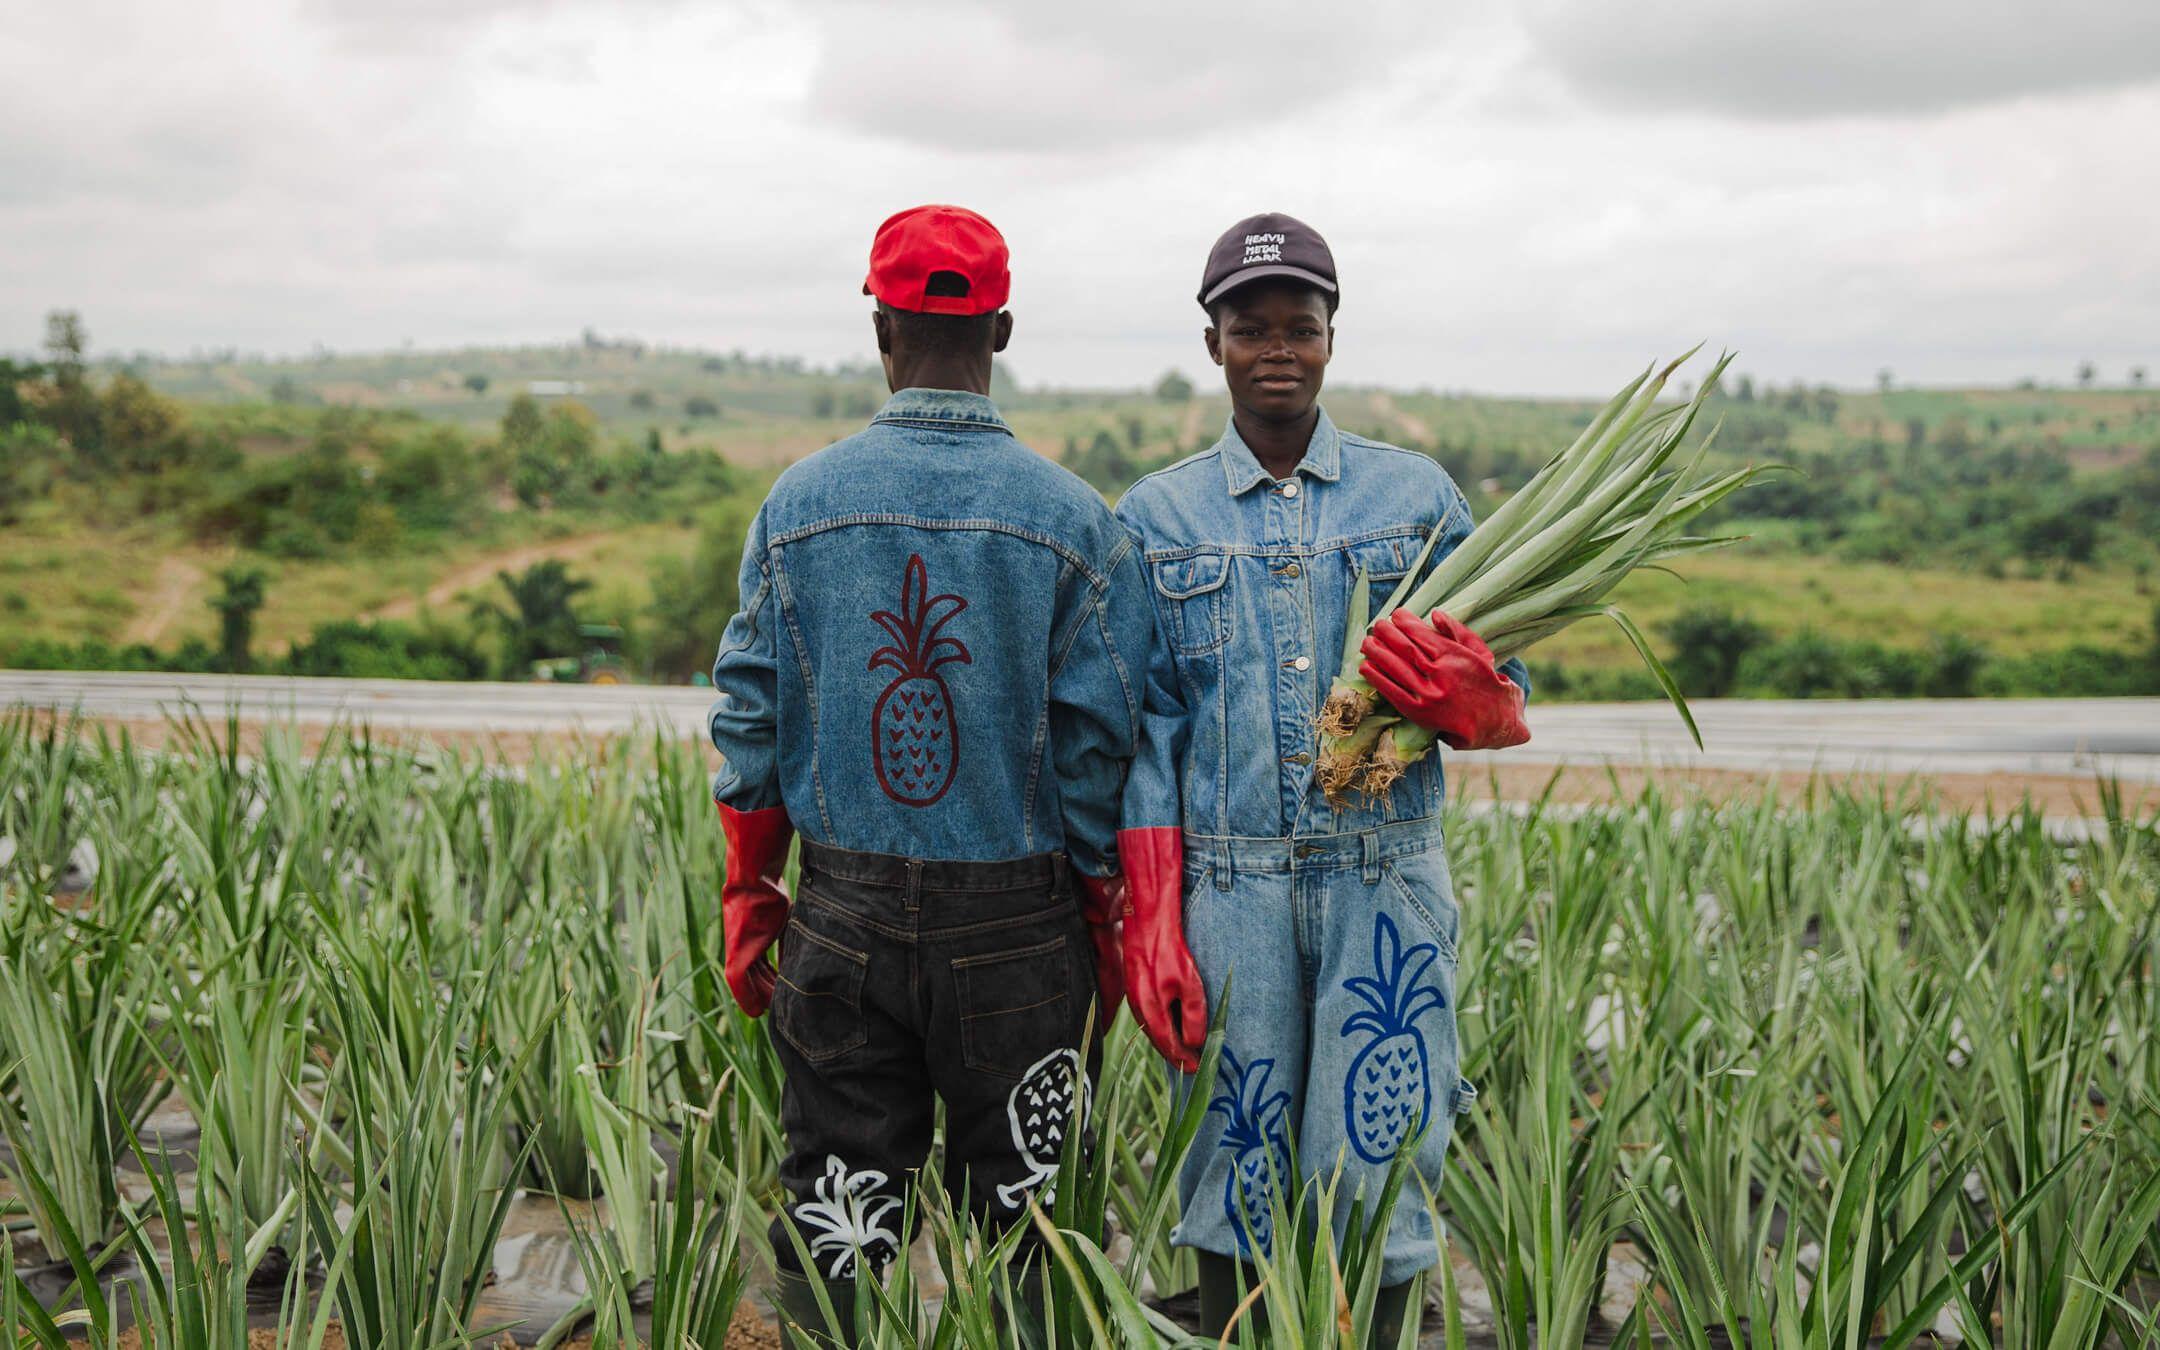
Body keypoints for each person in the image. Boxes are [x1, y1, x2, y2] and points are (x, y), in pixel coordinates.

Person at [706, 204, 1157, 1342]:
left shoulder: (799, 505)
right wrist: (1106, 920)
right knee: (1033, 1223)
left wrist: (750, 893)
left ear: (878, 329)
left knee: (837, 1216)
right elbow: (1101, 748)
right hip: (1022, 924)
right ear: (1002, 330)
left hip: (842, 917)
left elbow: (750, 716)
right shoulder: (1074, 520)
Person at [1114, 212, 1532, 1346]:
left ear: (1333, 338)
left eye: (1301, 326)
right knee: (1230, 1162)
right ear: (1215, 346)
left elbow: (1508, 693)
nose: (1278, 349)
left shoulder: (1416, 500)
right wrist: (1148, 925)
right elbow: (1143, 736)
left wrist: (1472, 704)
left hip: (1381, 879)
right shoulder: (1155, 519)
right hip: (1227, 890)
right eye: (1252, 330)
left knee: (1381, 1158)